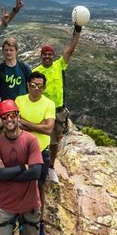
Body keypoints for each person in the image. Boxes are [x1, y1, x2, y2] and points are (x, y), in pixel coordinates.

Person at [32, 23, 82, 183]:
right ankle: (38, 166)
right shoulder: (36, 72)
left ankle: (51, 167)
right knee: (40, 140)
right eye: (44, 54)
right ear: (41, 56)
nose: (47, 56)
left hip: (58, 110)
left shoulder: (59, 65)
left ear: (53, 56)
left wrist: (78, 30)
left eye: (49, 54)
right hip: (43, 110)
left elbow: (70, 49)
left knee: (54, 142)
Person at [0, 100, 43, 235]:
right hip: (5, 204)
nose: (8, 119)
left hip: (29, 202)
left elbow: (35, 172)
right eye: (4, 117)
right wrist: (22, 167)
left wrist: (5, 173)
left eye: (12, 115)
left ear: (18, 116)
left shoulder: (31, 140)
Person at [15, 73, 56, 235]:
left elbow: (48, 129)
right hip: (20, 149)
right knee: (20, 183)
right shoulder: (19, 100)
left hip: (40, 150)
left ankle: (40, 219)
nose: (36, 88)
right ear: (28, 84)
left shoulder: (49, 104)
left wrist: (25, 123)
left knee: (39, 185)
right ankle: (20, 215)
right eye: (33, 85)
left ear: (44, 87)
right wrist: (37, 126)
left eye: (40, 86)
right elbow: (14, 120)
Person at [0, 37, 32, 130]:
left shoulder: (24, 68)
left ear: (16, 51)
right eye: (6, 50)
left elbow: (31, 87)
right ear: (3, 51)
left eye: (11, 50)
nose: (8, 52)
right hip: (5, 107)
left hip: (22, 107)